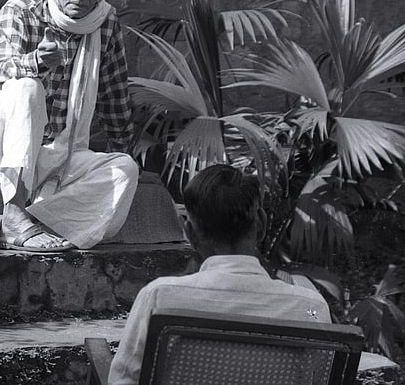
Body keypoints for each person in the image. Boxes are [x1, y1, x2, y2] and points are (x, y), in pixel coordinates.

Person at [0, 0, 139, 252]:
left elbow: (115, 100)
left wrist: (123, 151)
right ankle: (14, 209)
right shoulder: (20, 10)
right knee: (27, 87)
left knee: (125, 169)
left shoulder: (105, 24)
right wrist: (38, 63)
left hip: (57, 156)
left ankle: (7, 222)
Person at [108, 164, 331, 384]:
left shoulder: (159, 298)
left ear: (189, 233)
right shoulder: (311, 309)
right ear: (261, 225)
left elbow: (124, 379)